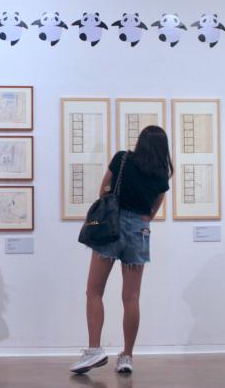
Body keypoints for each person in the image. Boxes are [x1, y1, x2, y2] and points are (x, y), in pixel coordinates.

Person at [70, 126, 173, 375]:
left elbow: (103, 189)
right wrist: (140, 219)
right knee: (132, 297)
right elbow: (153, 209)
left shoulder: (122, 158)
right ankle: (127, 356)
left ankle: (95, 349)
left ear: (140, 142)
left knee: (94, 291)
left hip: (111, 226)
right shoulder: (161, 175)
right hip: (140, 229)